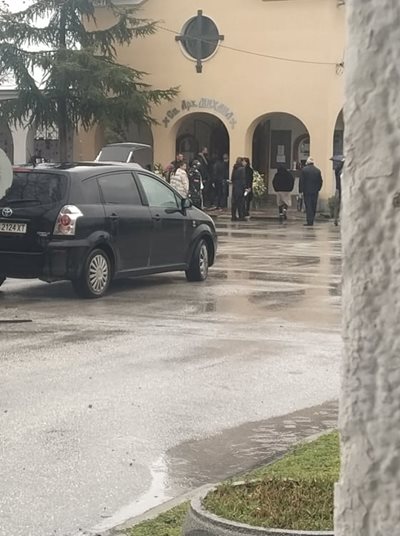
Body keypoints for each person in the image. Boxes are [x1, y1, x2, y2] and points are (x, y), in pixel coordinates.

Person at [299, 157, 323, 226]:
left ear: (307, 162)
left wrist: (301, 191)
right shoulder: (317, 170)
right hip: (315, 191)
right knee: (313, 205)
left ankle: (309, 221)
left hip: (307, 191)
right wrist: (318, 188)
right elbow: (320, 181)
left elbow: (301, 181)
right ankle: (312, 219)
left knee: (308, 206)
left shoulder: (304, 170)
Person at [231, 157, 246, 221]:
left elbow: (232, 178)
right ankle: (241, 216)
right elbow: (243, 179)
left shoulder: (235, 168)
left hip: (235, 187)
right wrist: (244, 187)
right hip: (240, 187)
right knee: (241, 202)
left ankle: (233, 216)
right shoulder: (242, 169)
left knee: (234, 202)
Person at [332, 157, 344, 226]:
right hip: (339, 189)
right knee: (337, 204)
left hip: (343, 189)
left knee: (341, 205)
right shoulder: (338, 171)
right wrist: (342, 163)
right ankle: (336, 219)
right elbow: (336, 170)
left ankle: (341, 218)